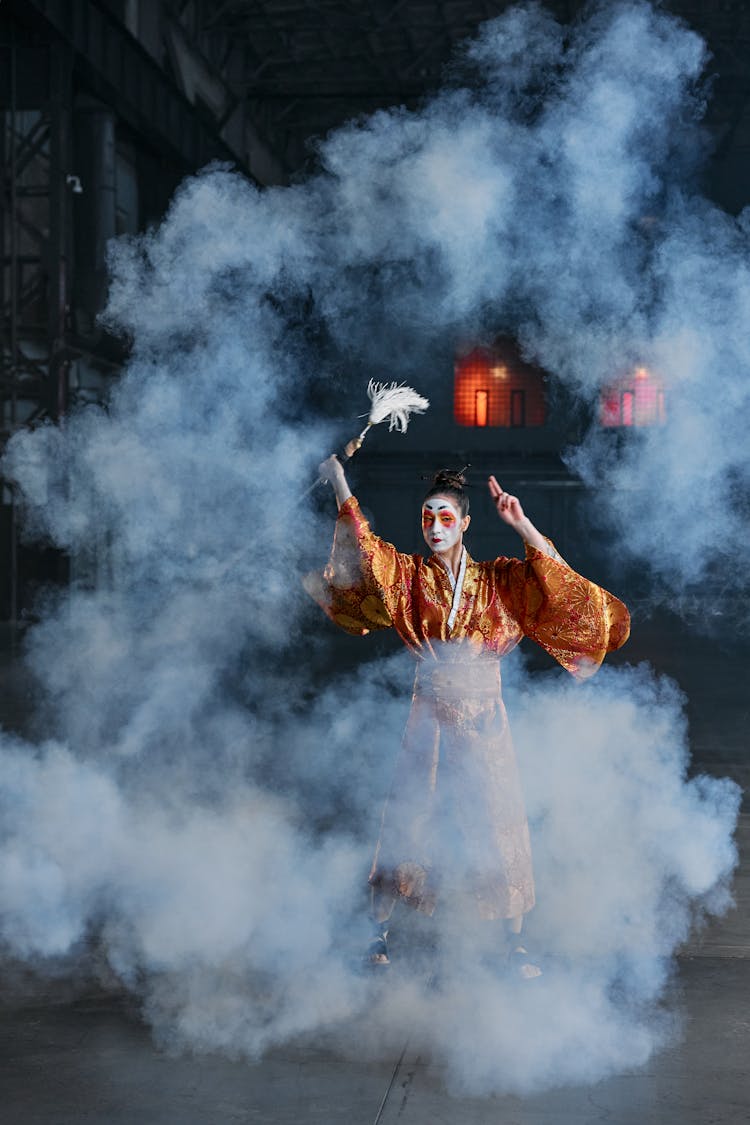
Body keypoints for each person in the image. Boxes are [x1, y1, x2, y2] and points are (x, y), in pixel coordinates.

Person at [306, 457, 630, 977]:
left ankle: (513, 943)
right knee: (407, 818)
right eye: (427, 518)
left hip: (485, 717)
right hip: (429, 712)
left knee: (499, 821)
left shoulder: (498, 580)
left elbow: (554, 579)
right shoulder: (408, 577)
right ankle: (376, 932)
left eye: (446, 518)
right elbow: (366, 553)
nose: (435, 527)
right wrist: (340, 481)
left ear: (466, 523)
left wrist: (521, 523)